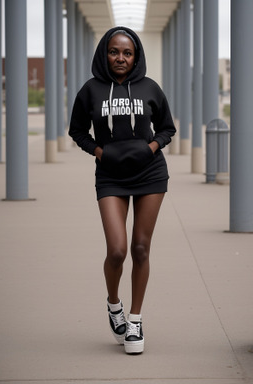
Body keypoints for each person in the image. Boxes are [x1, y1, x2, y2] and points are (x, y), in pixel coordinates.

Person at [69, 26, 176, 354]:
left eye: (127, 53)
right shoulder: (90, 90)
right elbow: (77, 131)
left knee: (141, 248)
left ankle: (135, 320)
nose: (120, 58)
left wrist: (151, 148)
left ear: (136, 56)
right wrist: (101, 153)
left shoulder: (150, 88)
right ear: (105, 53)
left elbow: (168, 128)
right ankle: (114, 304)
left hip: (150, 173)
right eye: (114, 51)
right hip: (111, 177)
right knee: (117, 250)